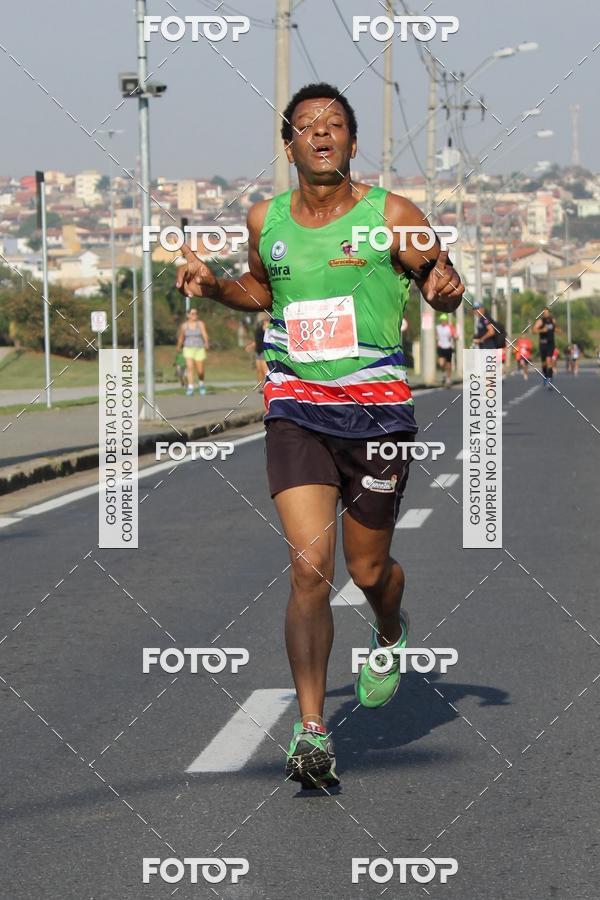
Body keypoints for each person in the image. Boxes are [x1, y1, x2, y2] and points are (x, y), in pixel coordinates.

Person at [175, 82, 464, 788]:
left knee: (369, 572)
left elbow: (441, 278)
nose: (323, 134)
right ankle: (311, 734)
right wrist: (215, 289)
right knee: (310, 568)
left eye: (335, 125)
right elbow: (261, 291)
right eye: (308, 126)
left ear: (354, 143)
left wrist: (447, 288)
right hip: (296, 409)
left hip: (377, 416)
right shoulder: (264, 219)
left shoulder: (392, 214)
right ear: (290, 146)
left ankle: (390, 628)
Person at [176, 308, 209, 395]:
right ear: (188, 315)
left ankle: (201, 383)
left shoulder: (200, 324)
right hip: (188, 348)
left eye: (196, 313)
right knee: (190, 368)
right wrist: (178, 346)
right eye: (193, 313)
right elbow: (181, 337)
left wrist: (206, 343)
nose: (195, 315)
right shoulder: (184, 326)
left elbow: (204, 334)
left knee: (200, 371)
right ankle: (190, 387)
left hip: (199, 348)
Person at [533, 307, 557, 389]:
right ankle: (545, 376)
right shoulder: (540, 321)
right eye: (544, 313)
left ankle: (549, 379)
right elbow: (534, 331)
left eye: (547, 312)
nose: (546, 314)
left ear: (549, 313)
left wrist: (559, 330)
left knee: (549, 360)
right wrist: (542, 330)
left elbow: (556, 328)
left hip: (551, 343)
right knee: (544, 363)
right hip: (543, 344)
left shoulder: (552, 320)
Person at [245, 312, 269, 388]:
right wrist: (250, 346)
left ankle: (267, 386)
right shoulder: (258, 328)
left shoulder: (268, 328)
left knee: (265, 370)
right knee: (259, 370)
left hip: (265, 351)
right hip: (258, 351)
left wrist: (267, 327)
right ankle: (261, 386)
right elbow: (257, 340)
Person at [435, 312, 454, 387]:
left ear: (446, 321)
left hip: (448, 347)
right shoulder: (438, 327)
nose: (443, 321)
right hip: (441, 347)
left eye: (444, 320)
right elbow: (436, 336)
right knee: (441, 364)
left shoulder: (449, 327)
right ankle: (444, 375)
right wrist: (437, 342)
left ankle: (448, 379)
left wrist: (454, 336)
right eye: (442, 320)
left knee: (448, 364)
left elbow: (454, 335)